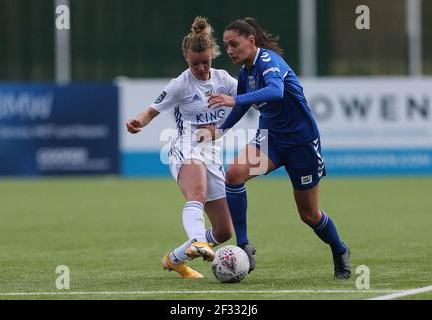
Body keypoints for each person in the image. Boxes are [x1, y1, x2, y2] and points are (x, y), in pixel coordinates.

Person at [206, 17, 351, 279]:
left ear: (251, 41)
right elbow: (240, 106)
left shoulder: (269, 61)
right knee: (234, 173)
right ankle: (243, 245)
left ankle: (340, 250)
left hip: (302, 145)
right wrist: (220, 130)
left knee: (309, 215)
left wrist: (233, 98)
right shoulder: (245, 73)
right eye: (226, 45)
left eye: (234, 44)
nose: (229, 50)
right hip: (270, 140)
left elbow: (275, 92)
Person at [126, 17, 236, 279]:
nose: (200, 67)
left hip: (212, 151)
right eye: (194, 63)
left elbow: (246, 101)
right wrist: (137, 122)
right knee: (196, 193)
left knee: (223, 231)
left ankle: (174, 259)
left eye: (205, 62)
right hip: (186, 145)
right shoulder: (180, 84)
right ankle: (198, 239)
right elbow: (152, 111)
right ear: (187, 59)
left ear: (212, 56)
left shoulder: (224, 79)